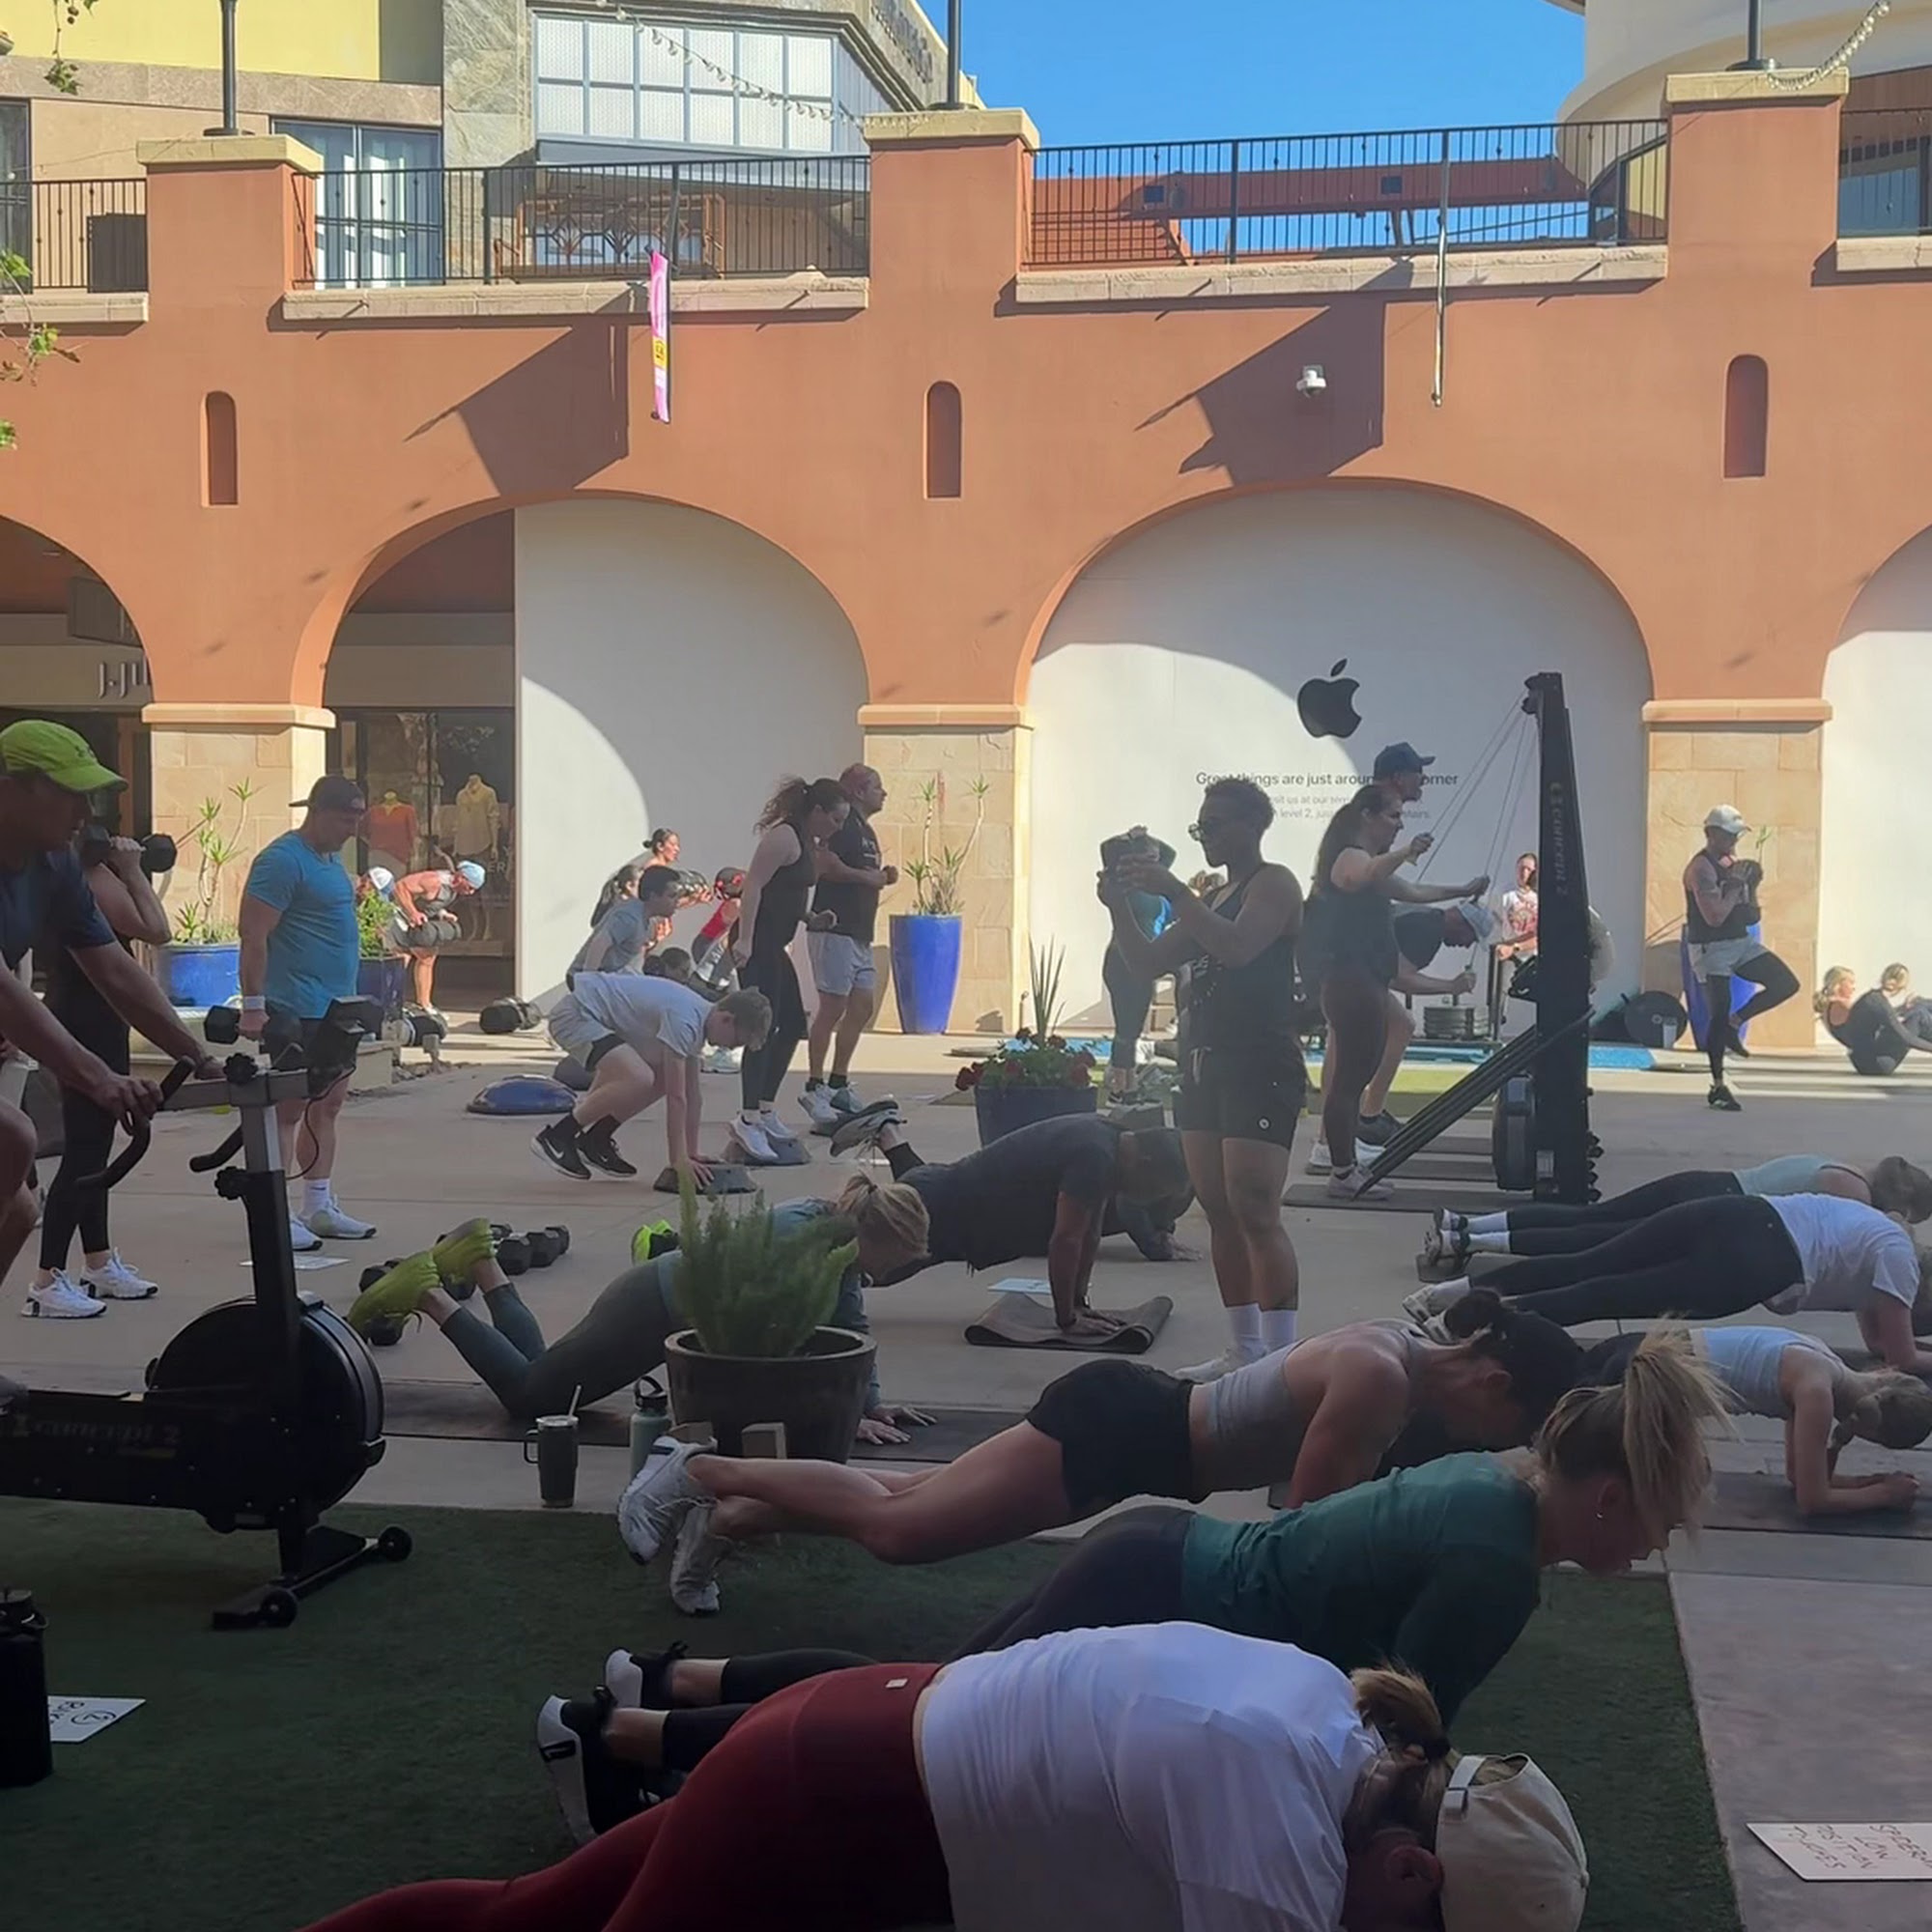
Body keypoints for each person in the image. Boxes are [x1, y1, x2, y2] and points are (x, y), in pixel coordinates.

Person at [306, 1629, 1587, 1932]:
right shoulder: (1273, 1847)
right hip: (820, 1802)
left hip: (843, 1729)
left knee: (525, 1914)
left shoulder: (1329, 1714)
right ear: (1407, 1867)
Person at [617, 1290, 1583, 1617]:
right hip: (1126, 1430)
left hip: (1133, 1429)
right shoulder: (1378, 1379)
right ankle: (693, 1469)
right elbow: (1307, 1530)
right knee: (901, 1530)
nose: (1492, 1443)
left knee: (908, 1495)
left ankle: (730, 1515)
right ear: (1493, 1379)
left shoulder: (1395, 1348)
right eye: (1509, 1426)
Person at [952, 1327, 1720, 1691]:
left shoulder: (1495, 1488)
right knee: (926, 1729)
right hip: (1150, 1592)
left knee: (930, 1701)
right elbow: (1394, 1739)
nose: (1654, 1547)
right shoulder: (1495, 1566)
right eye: (1660, 1523)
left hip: (1147, 1558)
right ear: (1610, 1498)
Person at [344, 1189, 934, 1572]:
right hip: (648, 1311)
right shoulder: (808, 1247)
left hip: (654, 1300)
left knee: (546, 1378)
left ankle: (481, 1258)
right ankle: (428, 1291)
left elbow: (848, 1326)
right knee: (531, 1397)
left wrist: (869, 1403)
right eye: (898, 1258)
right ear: (876, 1237)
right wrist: (851, 1406)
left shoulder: (827, 1230)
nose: (895, 1272)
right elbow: (798, 1333)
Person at [0, 724, 217, 1310]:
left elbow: (115, 970)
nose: (85, 812)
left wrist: (197, 1056)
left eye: (89, 796)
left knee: (19, 1208)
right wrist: (98, 1078)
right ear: (9, 788)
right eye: (69, 794)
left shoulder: (55, 866)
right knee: (13, 1137)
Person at [1099, 778, 1308, 1380]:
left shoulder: (1274, 883)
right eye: (1199, 827)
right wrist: (1117, 906)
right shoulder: (1213, 895)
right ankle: (1245, 1348)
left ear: (1252, 826)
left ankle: (1282, 1357)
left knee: (1255, 1207)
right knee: (1218, 1209)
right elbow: (1147, 962)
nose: (1203, 837)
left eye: (1213, 825)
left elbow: (1239, 948)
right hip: (1203, 1064)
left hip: (1258, 1062)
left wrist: (1174, 891)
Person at [1410, 1190, 1932, 1374]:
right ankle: (1464, 1334)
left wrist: (1899, 1345)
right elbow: (1901, 1357)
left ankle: (1450, 1307)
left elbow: (1880, 1343)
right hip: (1757, 1261)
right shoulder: (1900, 1260)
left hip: (1736, 1212)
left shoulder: (1874, 1231)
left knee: (1587, 1262)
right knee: (1605, 1295)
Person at [828, 1108, 1196, 1332]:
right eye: (1157, 1190)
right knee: (860, 1265)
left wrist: (1079, 1304)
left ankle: (889, 1133)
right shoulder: (1095, 1158)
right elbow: (1066, 1239)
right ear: (1146, 1162)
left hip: (944, 1197)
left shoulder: (1108, 1138)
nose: (1150, 1200)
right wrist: (1067, 1319)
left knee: (857, 1262)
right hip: (941, 1213)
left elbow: (1090, 1233)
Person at [1299, 783, 1487, 1199]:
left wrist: (1463, 890)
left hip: (1363, 979)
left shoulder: (1368, 864)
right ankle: (1341, 1169)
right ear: (1367, 816)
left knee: (1355, 1077)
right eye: (1394, 816)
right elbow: (1358, 876)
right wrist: (1406, 852)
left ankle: (1344, 1163)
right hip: (1352, 980)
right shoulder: (1350, 856)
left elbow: (1415, 892)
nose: (1400, 825)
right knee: (1349, 1082)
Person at [23, 826, 175, 1318]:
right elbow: (156, 929)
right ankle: (47, 1280)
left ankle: (98, 1261)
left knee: (97, 1146)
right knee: (86, 1151)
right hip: (89, 1018)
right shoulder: (89, 878)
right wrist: (133, 870)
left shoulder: (57, 876)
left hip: (89, 1014)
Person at [1581, 1325, 1931, 1519]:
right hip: (1644, 1382)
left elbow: (1799, 1476)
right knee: (1686, 1483)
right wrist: (1882, 1495)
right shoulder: (1817, 1394)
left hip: (1639, 1348)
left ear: (1884, 1373)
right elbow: (1812, 1500)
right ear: (1875, 1435)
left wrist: (1864, 1483)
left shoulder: (1820, 1357)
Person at [239, 774, 376, 1251]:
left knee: (329, 1105)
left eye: (356, 820)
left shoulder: (331, 860)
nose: (351, 830)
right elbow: (253, 934)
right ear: (315, 812)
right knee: (288, 1109)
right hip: (295, 1006)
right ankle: (275, 1213)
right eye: (343, 820)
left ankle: (317, 1205)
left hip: (337, 1006)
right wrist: (253, 1006)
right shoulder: (281, 860)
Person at [1425, 1152, 1932, 1265]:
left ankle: (1466, 1226)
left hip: (1709, 1183)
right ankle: (1470, 1240)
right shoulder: (1853, 1194)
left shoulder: (1842, 1164)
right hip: (1715, 1203)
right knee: (1596, 1239)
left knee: (1591, 1220)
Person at [532, 976, 771, 1184]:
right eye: (737, 1041)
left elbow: (692, 1096)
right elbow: (677, 1099)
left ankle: (596, 1139)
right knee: (639, 1077)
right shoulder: (686, 1021)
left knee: (661, 1077)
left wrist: (691, 1153)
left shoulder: (699, 1020)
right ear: (726, 1019)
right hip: (576, 1015)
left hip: (597, 1020)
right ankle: (557, 1137)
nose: (731, 1048)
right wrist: (678, 1160)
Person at [729, 778, 846, 1166]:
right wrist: (745, 940)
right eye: (835, 819)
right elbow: (754, 887)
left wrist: (812, 918)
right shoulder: (783, 837)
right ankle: (747, 1117)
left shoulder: (807, 843)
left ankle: (765, 1107)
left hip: (774, 945)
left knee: (794, 1023)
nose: (837, 827)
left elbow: (788, 894)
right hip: (756, 942)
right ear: (817, 811)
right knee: (762, 1028)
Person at [1354, 898, 1498, 1151]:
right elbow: (1401, 979)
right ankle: (1363, 1119)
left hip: (1354, 968)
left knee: (1402, 1024)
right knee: (1379, 1035)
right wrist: (1451, 986)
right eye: (1471, 936)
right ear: (1460, 920)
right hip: (1352, 974)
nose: (1466, 945)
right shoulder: (1429, 932)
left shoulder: (1424, 916)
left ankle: (1370, 1113)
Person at [1684, 804, 1800, 1112]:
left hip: (1740, 942)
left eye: (1737, 836)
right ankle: (1718, 1084)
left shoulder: (1733, 865)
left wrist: (1752, 887)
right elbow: (1714, 917)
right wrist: (1736, 887)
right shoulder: (1701, 869)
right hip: (1711, 948)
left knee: (1786, 983)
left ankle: (1736, 1023)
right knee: (1718, 1012)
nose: (1734, 841)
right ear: (1712, 834)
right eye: (1729, 836)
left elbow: (1750, 917)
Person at [801, 765, 896, 1130]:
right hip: (836, 930)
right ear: (858, 790)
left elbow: (861, 873)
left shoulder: (865, 830)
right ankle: (815, 1084)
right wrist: (867, 878)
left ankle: (839, 1082)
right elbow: (824, 864)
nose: (883, 794)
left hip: (860, 933)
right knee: (833, 1007)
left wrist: (881, 877)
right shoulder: (841, 827)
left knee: (862, 1005)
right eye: (877, 787)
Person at [1096, 826, 1175, 1102]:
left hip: (1146, 961)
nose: (1153, 862)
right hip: (1121, 959)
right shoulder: (1125, 883)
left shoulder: (1158, 890)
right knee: (1126, 1026)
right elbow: (1107, 849)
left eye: (1154, 858)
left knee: (1135, 1026)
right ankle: (1120, 1087)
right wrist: (1130, 839)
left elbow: (1170, 854)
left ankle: (1128, 1083)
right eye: (1146, 857)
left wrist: (1148, 843)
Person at [384, 859, 485, 1014]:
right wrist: (413, 913)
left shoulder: (453, 889)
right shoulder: (433, 881)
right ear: (461, 877)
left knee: (427, 958)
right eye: (470, 887)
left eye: (474, 890)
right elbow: (400, 887)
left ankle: (423, 1003)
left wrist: (443, 914)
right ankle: (390, 1002)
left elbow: (431, 904)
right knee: (403, 957)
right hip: (397, 916)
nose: (470, 892)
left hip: (415, 922)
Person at [569, 866, 682, 983]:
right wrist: (588, 980)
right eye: (672, 896)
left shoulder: (644, 919)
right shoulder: (629, 917)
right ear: (653, 896)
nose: (677, 901)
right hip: (582, 978)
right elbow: (600, 942)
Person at [1816, 965, 1932, 1076]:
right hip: (1878, 1063)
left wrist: (1901, 1010)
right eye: (1850, 982)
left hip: (1865, 1061)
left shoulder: (1835, 1006)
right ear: (1838, 983)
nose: (1854, 987)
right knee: (1919, 1014)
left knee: (1918, 1008)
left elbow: (1879, 1017)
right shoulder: (1842, 1005)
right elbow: (1903, 1036)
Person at [1498, 852, 1540, 959]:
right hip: (1509, 958)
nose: (1524, 873)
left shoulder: (1540, 897)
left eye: (1529, 870)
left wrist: (1515, 947)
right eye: (1521, 868)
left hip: (1533, 957)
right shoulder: (1504, 894)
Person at [1880, 961, 1932, 1043]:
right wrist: (1905, 1008)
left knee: (1919, 1010)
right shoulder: (1875, 999)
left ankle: (1900, 1040)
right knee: (1918, 1004)